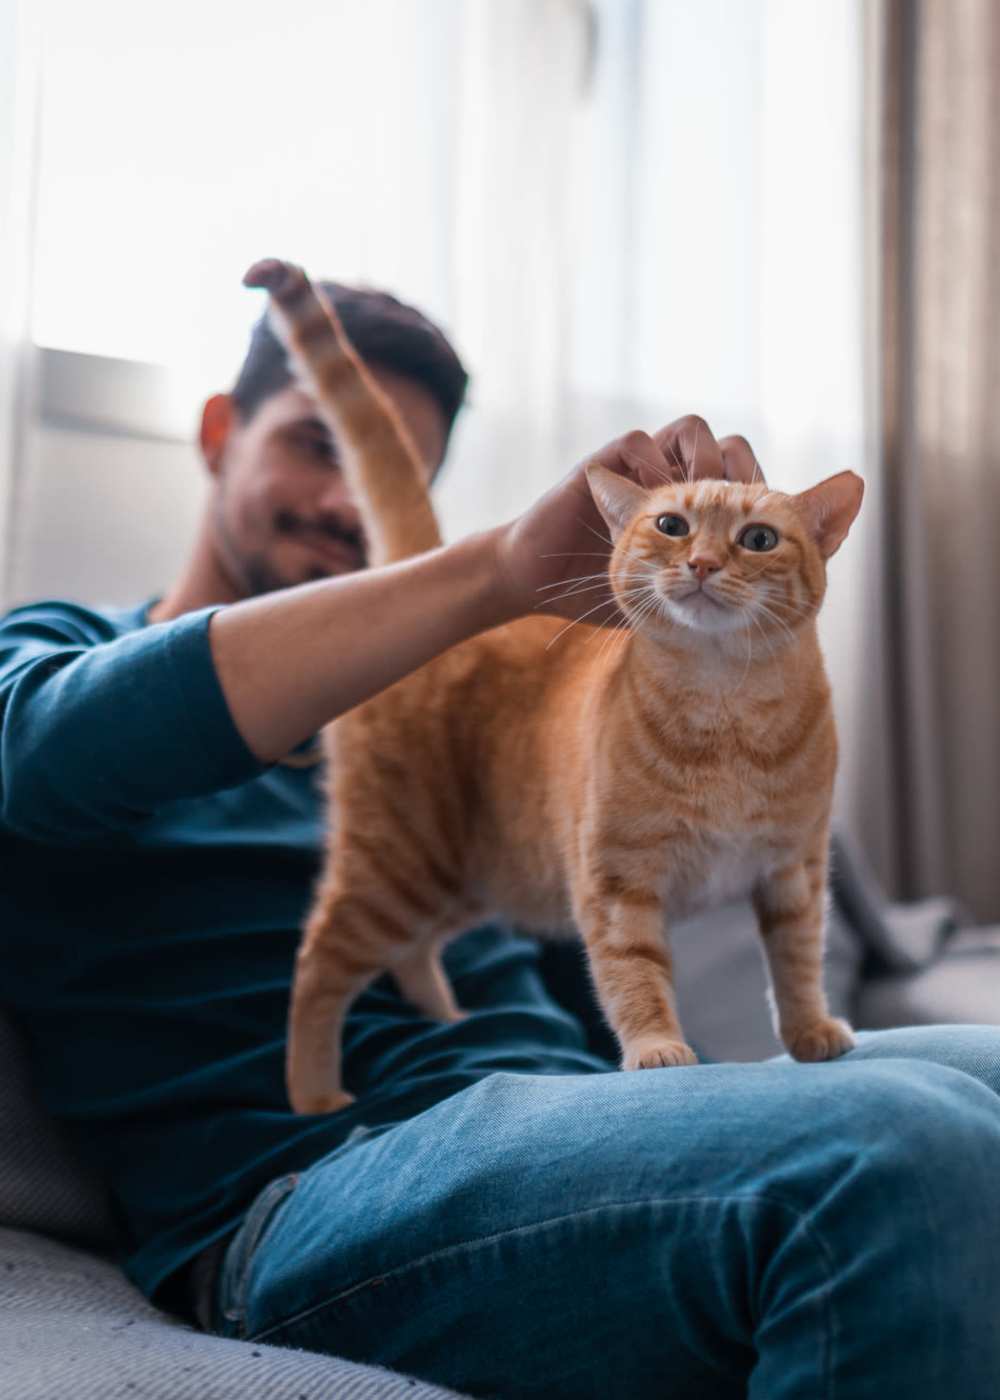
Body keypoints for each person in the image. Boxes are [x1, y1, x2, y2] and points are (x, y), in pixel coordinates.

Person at [1, 282, 998, 1400]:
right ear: (222, 432)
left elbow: (597, 909)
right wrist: (486, 574)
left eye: (385, 472)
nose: (344, 500)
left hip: (565, 1118)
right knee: (907, 1147)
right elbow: (45, 752)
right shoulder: (55, 649)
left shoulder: (453, 701)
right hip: (311, 1190)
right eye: (309, 443)